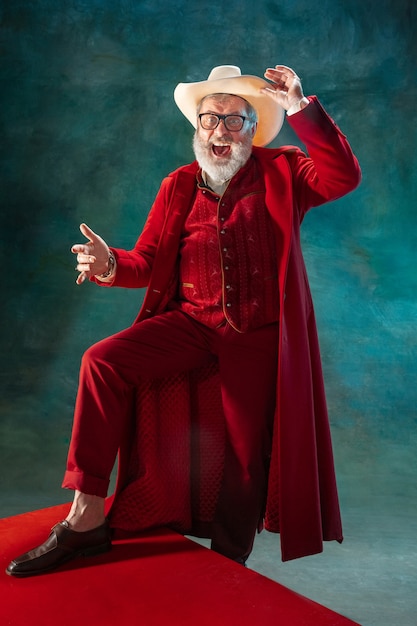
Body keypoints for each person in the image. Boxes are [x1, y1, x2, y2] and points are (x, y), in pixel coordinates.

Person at [6, 64, 361, 577]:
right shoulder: (177, 185)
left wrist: (301, 109)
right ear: (197, 126)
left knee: (245, 452)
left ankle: (228, 560)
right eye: (209, 119)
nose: (220, 131)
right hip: (190, 324)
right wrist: (110, 264)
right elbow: (147, 263)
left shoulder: (285, 171)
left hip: (257, 336)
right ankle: (85, 519)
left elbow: (342, 176)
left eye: (233, 121)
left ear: (252, 127)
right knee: (103, 362)